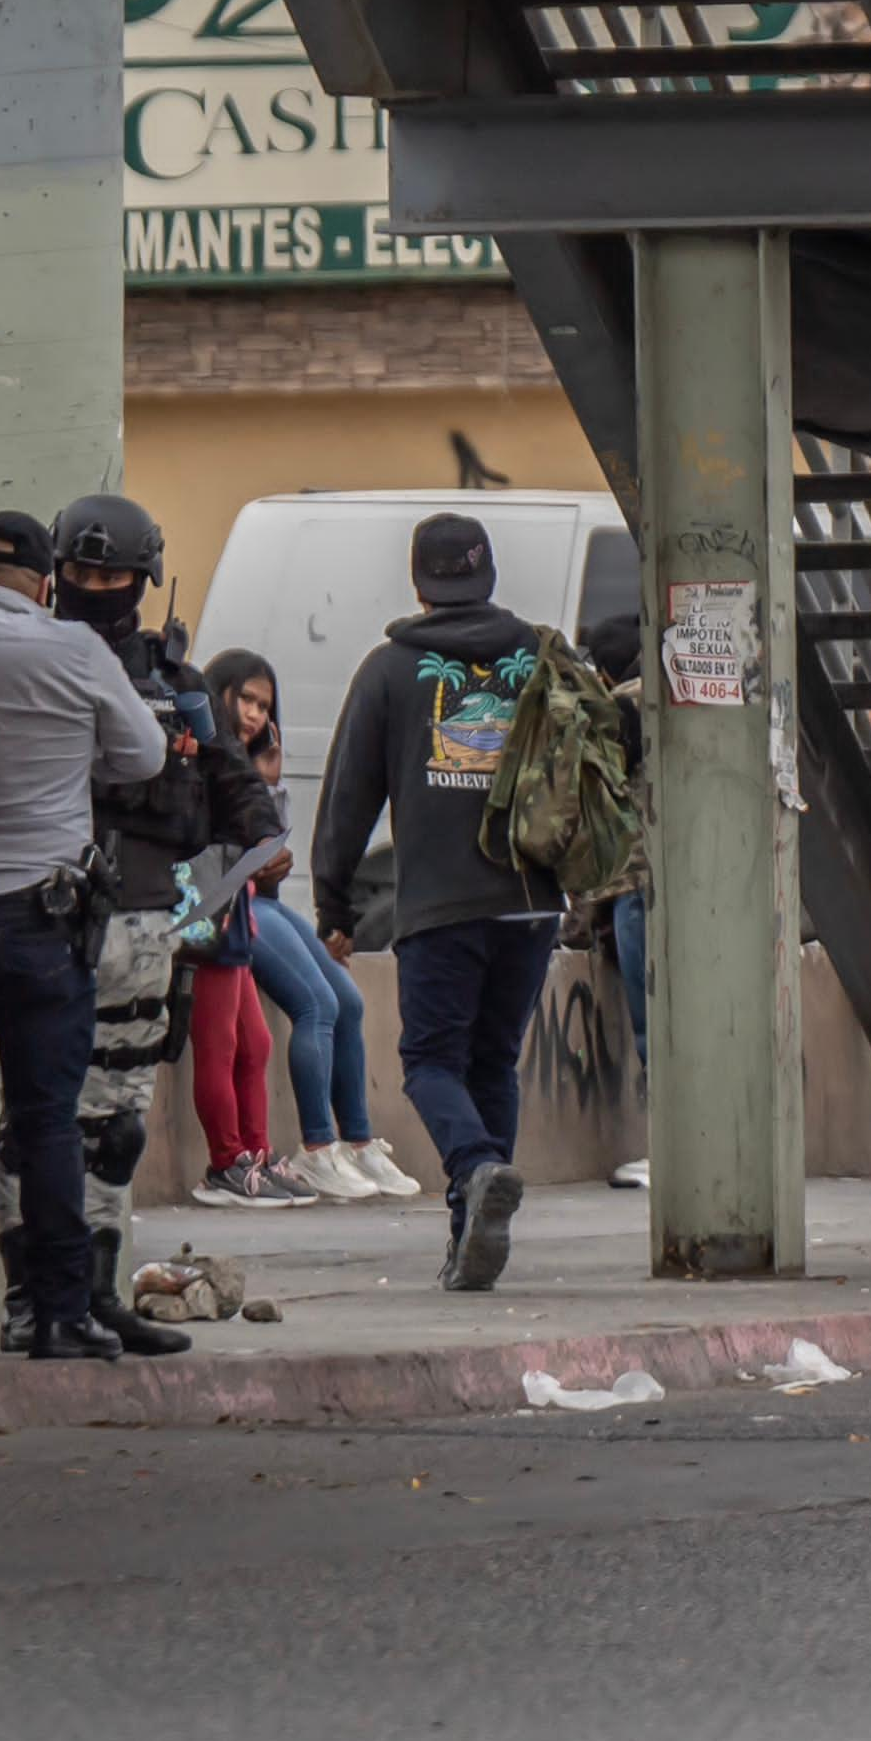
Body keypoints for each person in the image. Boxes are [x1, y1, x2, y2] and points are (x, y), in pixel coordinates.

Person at [0, 510, 169, 1361]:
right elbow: (145, 758)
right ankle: (58, 1314)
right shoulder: (75, 654)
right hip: (43, 924)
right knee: (49, 1121)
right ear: (45, 585)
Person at [48, 492, 283, 1339]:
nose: (98, 586)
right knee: (28, 1120)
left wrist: (262, 836)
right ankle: (29, 1300)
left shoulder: (175, 685)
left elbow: (231, 783)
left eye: (113, 573)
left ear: (142, 579)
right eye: (83, 571)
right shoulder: (36, 662)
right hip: (40, 916)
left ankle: (97, 1296)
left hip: (145, 922)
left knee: (114, 1127)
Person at [312, 513, 563, 1291]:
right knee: (493, 1062)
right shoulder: (546, 659)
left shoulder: (388, 672)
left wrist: (335, 906)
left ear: (420, 583)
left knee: (429, 1062)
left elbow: (347, 800)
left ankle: (477, 1167)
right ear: (486, 577)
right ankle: (472, 1237)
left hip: (441, 907)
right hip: (531, 904)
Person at [201, 649, 418, 1202]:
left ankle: (357, 1141)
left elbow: (268, 869)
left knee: (349, 999)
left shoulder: (257, 767)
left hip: (259, 904)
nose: (252, 714)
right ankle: (317, 1148)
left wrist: (269, 782)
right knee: (315, 1005)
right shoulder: (201, 756)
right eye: (245, 699)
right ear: (219, 692)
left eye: (263, 705)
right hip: (226, 906)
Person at [578, 611, 655, 1192]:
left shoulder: (622, 705)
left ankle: (671, 1150)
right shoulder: (689, 689)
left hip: (641, 887)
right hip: (708, 885)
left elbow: (601, 809)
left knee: (654, 1023)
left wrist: (580, 915)